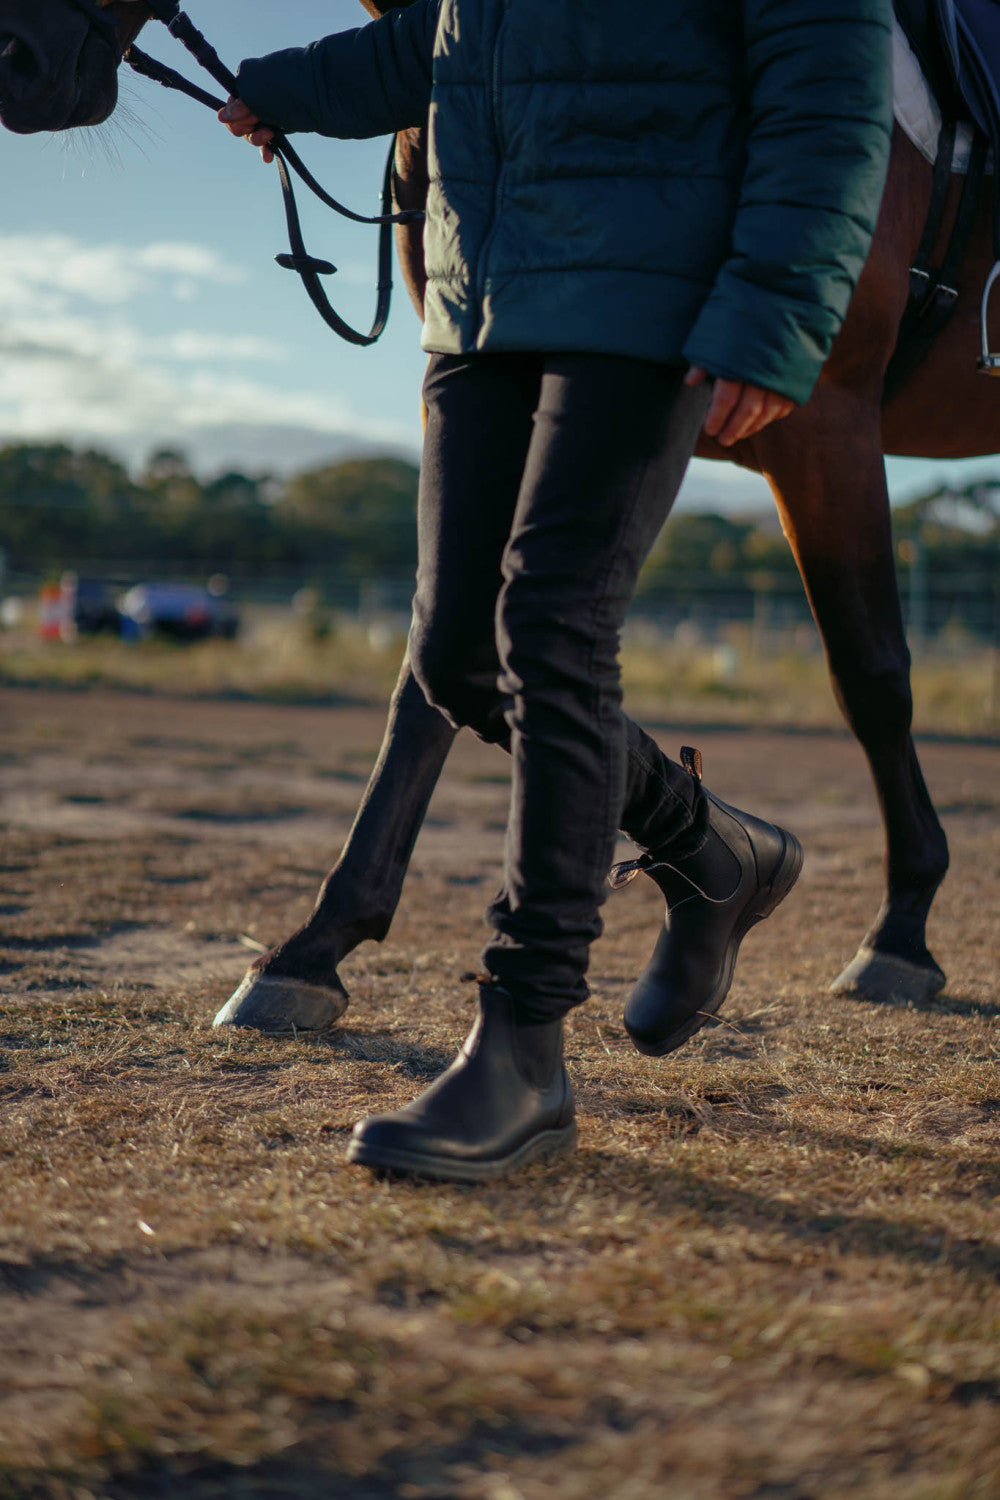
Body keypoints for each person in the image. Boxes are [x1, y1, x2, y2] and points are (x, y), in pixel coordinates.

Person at [219, 0, 893, 1183]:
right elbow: (442, 40)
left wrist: (778, 308)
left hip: (655, 291)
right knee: (455, 660)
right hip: (478, 286)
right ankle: (713, 851)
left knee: (553, 624)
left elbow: (828, 76)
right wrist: (278, 85)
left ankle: (522, 1045)